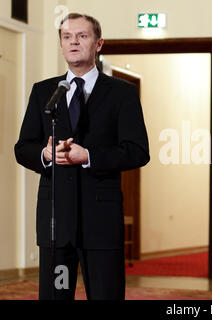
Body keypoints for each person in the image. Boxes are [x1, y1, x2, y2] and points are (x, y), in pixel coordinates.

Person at [14, 13, 150, 300]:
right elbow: (23, 147)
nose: (73, 42)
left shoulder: (122, 93)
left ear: (98, 43)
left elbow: (137, 151)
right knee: (56, 296)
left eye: (82, 36)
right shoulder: (43, 92)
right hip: (55, 222)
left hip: (100, 222)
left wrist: (88, 155)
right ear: (61, 45)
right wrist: (46, 154)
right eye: (67, 37)